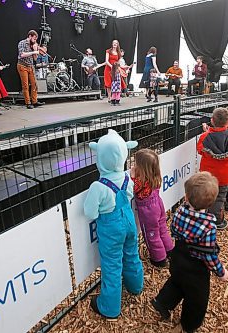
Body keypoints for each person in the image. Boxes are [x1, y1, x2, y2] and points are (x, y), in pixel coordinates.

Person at [151, 172, 228, 333]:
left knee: (177, 281)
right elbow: (208, 254)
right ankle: (188, 325)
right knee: (197, 299)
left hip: (178, 258)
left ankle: (163, 302)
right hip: (196, 270)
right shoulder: (208, 225)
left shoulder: (180, 211)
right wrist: (220, 272)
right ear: (210, 203)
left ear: (186, 197)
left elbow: (173, 230)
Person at [83, 129, 144, 320]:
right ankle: (136, 286)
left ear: (100, 157)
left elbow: (90, 213)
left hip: (111, 228)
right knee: (132, 254)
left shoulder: (98, 186)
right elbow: (130, 195)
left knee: (111, 266)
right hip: (128, 222)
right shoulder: (127, 177)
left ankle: (109, 308)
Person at [197, 108, 228, 229]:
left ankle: (205, 218)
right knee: (220, 197)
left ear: (212, 120)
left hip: (208, 175)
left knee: (206, 195)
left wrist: (207, 132)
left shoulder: (204, 137)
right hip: (224, 175)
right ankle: (217, 221)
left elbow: (200, 150)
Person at [131, 149, 174, 267]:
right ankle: (170, 250)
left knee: (151, 234)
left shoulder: (141, 182)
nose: (134, 165)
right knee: (162, 229)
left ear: (142, 168)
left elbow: (134, 188)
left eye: (136, 164)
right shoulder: (155, 176)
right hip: (158, 204)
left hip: (148, 211)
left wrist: (133, 176)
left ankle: (159, 259)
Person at [17, 30, 45, 109]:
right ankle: (28, 102)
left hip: (31, 66)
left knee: (34, 84)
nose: (35, 41)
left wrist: (35, 51)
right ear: (30, 36)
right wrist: (34, 52)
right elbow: (22, 54)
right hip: (22, 65)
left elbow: (35, 59)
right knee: (25, 85)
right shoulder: (22, 43)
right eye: (34, 39)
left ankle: (34, 101)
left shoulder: (33, 45)